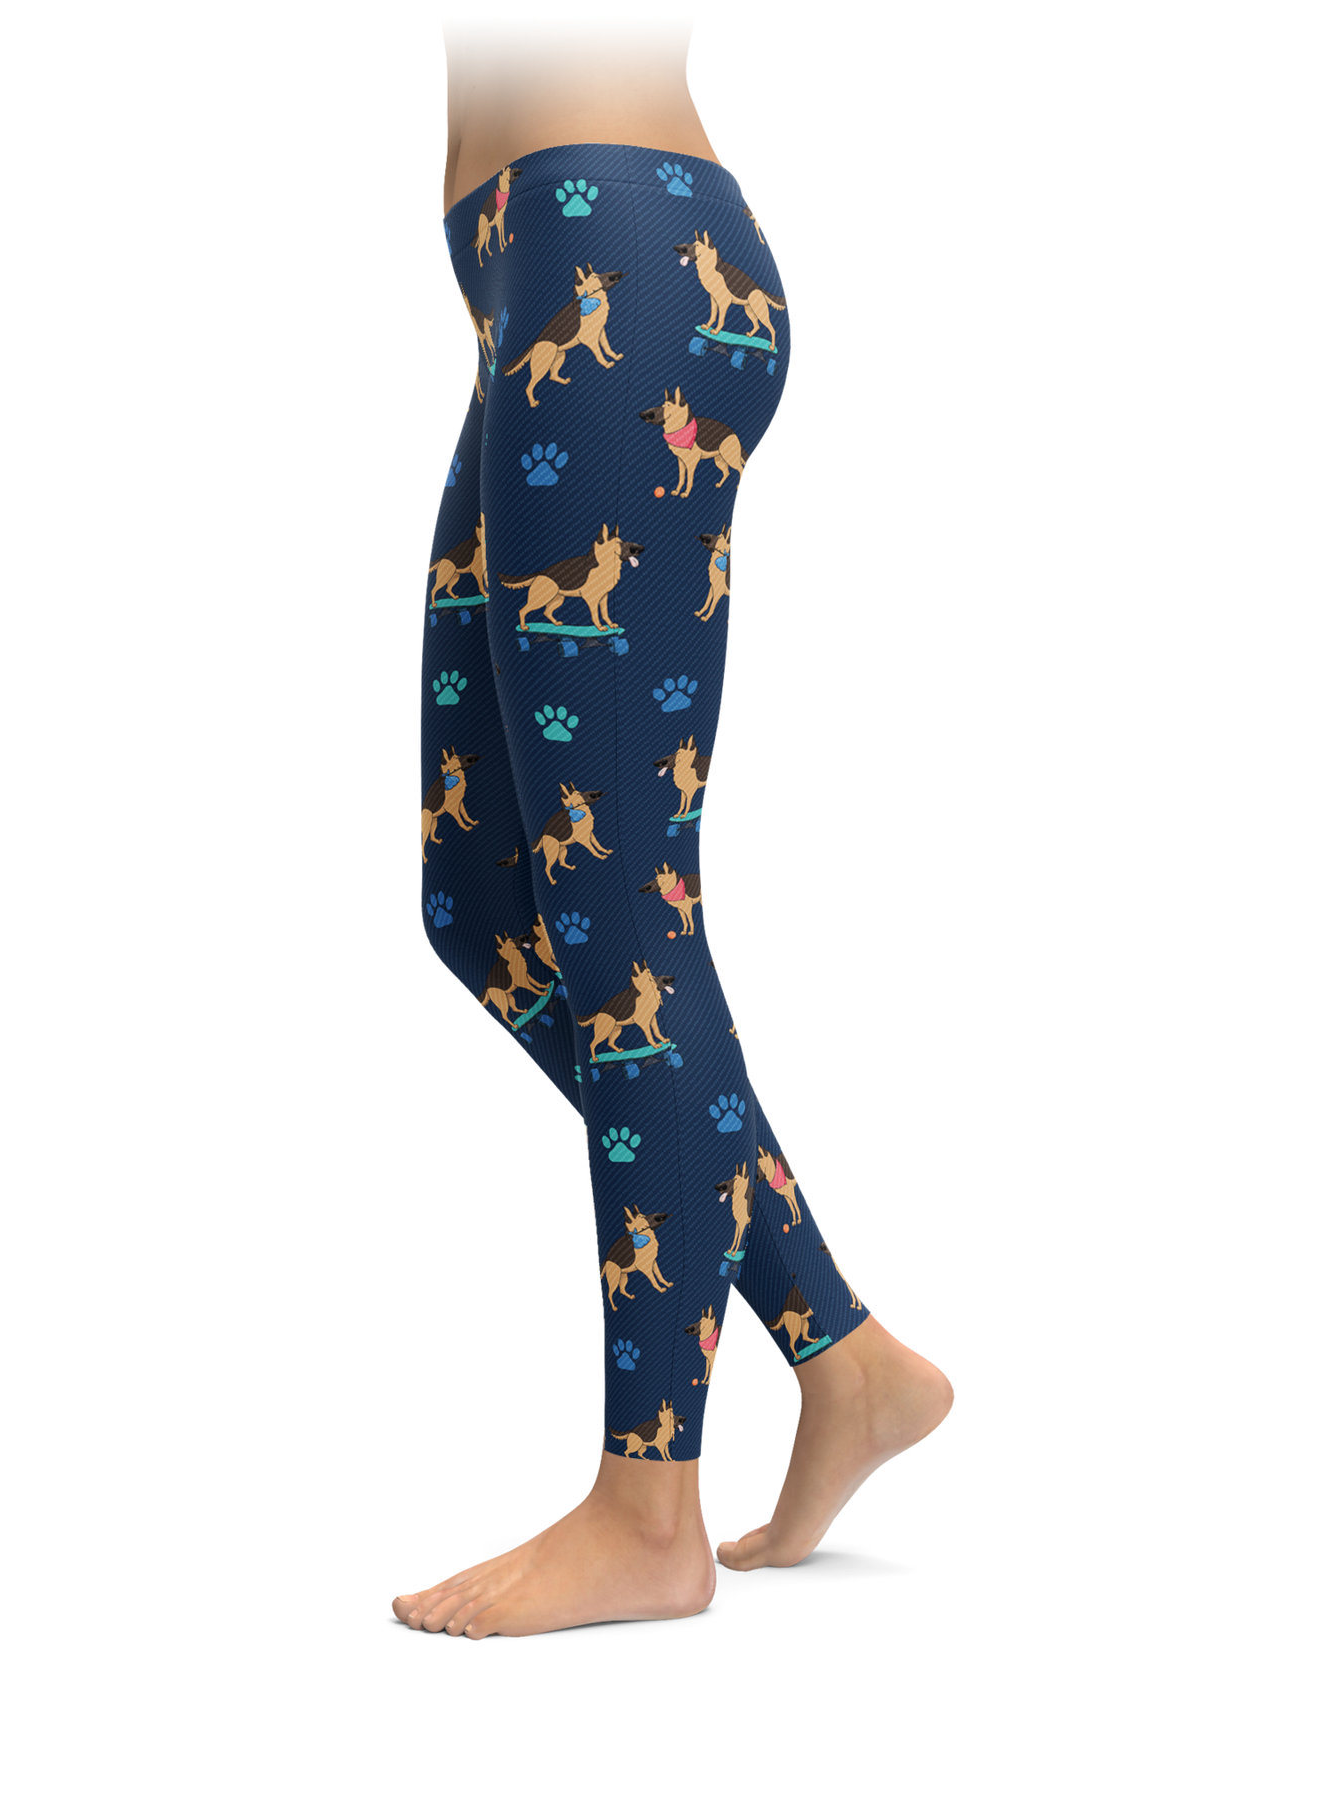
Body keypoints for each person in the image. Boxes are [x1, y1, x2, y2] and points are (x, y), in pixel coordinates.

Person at [402, 15, 956, 1643]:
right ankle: (845, 1354)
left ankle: (650, 1509)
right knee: (473, 901)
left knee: (625, 918)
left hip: (614, 252)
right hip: (532, 266)